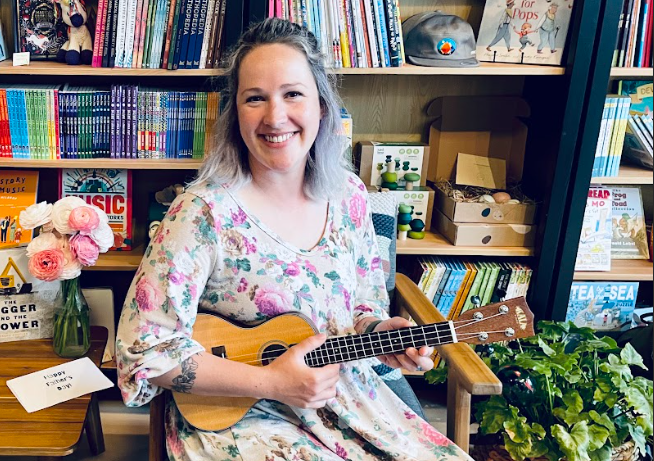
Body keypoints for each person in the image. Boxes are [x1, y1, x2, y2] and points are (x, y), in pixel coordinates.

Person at [116, 19, 472, 460]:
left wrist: (382, 332)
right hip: (242, 416)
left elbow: (362, 308)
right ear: (235, 114)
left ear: (322, 106)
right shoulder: (203, 212)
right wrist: (272, 383)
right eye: (254, 98)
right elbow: (142, 351)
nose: (275, 117)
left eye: (292, 94)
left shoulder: (351, 197)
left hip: (349, 401)